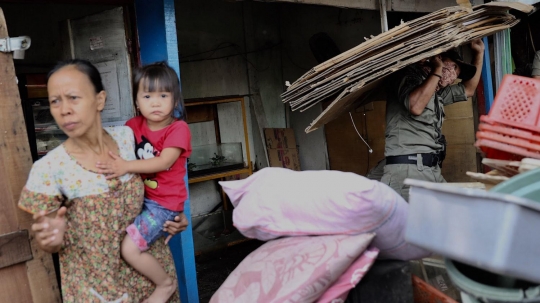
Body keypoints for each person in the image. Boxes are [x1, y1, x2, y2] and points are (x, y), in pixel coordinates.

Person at [18, 59, 188, 303]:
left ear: (100, 99)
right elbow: (49, 239)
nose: (64, 109)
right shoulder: (49, 169)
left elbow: (160, 179)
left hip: (155, 283)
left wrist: (173, 217)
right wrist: (51, 241)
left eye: (73, 97)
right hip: (100, 292)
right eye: (55, 101)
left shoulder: (129, 138)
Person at [95, 62, 192, 303]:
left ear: (175, 100)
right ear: (137, 101)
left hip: (164, 205)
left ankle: (164, 285)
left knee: (130, 248)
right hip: (144, 200)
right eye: (147, 95)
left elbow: (163, 162)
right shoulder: (132, 126)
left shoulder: (178, 129)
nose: (156, 102)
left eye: (163, 95)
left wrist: (125, 166)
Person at [376, 39, 484, 201]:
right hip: (409, 168)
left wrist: (479, 53)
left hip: (430, 169)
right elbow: (416, 106)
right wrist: (437, 69)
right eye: (453, 66)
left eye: (458, 72)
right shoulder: (409, 77)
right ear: (438, 59)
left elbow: (468, 90)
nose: (453, 76)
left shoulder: (436, 93)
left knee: (451, 212)